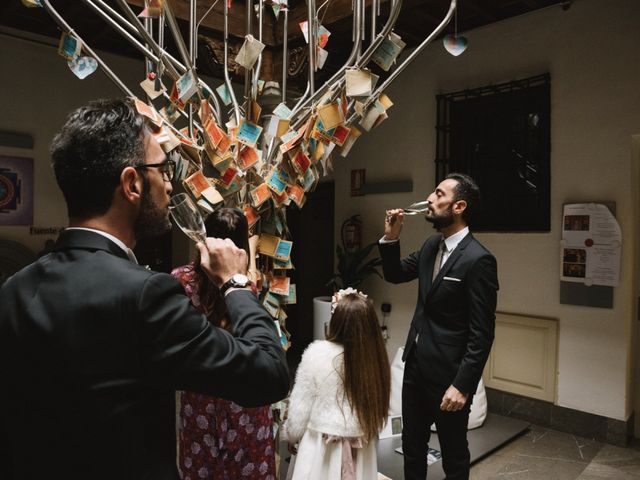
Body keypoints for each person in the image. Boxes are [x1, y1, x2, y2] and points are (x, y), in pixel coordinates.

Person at [0, 98, 289, 480]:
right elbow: (268, 373)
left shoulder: (13, 290)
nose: (170, 184)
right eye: (162, 169)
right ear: (131, 183)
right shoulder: (147, 295)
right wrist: (236, 283)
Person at [379, 173, 498, 480]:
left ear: (458, 206)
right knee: (412, 448)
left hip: (449, 377)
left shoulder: (479, 259)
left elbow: (482, 333)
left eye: (438, 193)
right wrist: (391, 237)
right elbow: (395, 274)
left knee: (454, 456)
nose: (430, 199)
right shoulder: (432, 245)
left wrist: (462, 385)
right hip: (415, 368)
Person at [172, 208, 276, 480]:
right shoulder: (244, 288)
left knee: (202, 468)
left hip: (200, 397)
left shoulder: (181, 281)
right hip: (243, 398)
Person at [283, 289, 390, 480]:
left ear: (337, 321)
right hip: (362, 448)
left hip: (321, 448)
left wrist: (292, 436)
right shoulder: (376, 358)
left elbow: (300, 406)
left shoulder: (316, 353)